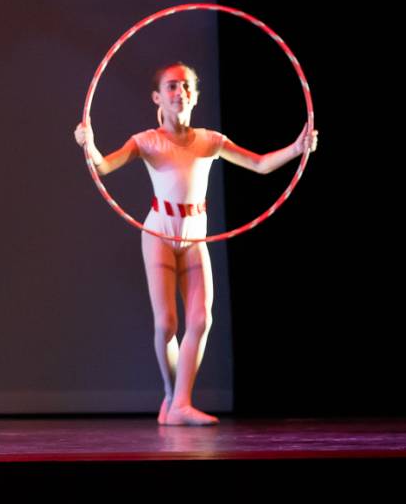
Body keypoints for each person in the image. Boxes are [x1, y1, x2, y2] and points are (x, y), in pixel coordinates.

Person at [74, 62, 318, 425]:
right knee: (166, 325)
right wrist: (89, 145)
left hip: (194, 235)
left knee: (201, 319)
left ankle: (181, 404)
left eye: (186, 86)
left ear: (195, 96)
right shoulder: (147, 141)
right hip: (158, 232)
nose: (180, 92)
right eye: (172, 86)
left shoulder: (209, 141)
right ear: (158, 97)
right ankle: (173, 399)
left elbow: (261, 165)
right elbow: (105, 167)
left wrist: (297, 148)